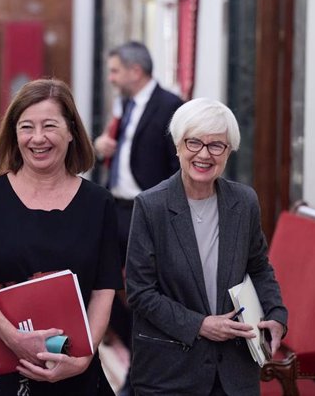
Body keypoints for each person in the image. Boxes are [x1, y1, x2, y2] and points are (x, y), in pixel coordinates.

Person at [0, 78, 122, 395]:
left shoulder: (98, 203)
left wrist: (84, 358)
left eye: (50, 126)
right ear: (14, 135)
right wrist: (14, 337)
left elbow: (104, 288)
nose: (38, 138)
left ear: (71, 132)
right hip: (0, 369)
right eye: (27, 127)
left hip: (73, 369)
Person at [125, 98, 288, 395]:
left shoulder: (244, 202)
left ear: (229, 152)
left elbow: (259, 267)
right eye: (194, 143)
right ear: (177, 146)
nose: (204, 154)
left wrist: (277, 315)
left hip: (234, 370)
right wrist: (200, 324)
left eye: (216, 146)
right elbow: (140, 292)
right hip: (170, 371)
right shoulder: (151, 206)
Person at [93, 41, 182, 395]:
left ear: (135, 70)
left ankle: (137, 374)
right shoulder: (125, 105)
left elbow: (178, 169)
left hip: (145, 214)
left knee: (140, 295)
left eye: (115, 70)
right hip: (113, 209)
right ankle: (127, 350)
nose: (111, 78)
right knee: (99, 287)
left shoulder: (171, 107)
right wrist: (102, 147)